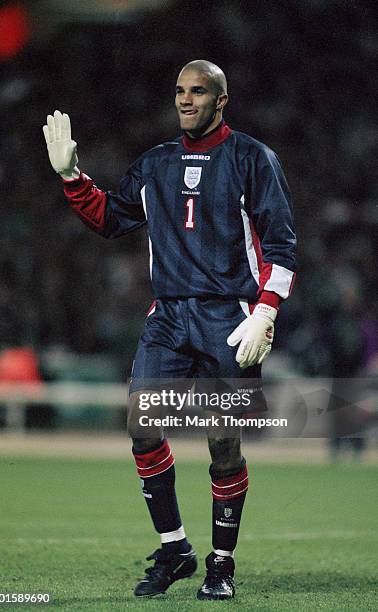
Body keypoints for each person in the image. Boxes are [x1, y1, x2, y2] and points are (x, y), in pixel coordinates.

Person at [43, 59, 296, 600]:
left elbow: (282, 246)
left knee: (223, 443)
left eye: (198, 91)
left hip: (231, 319)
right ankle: (175, 548)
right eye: (180, 91)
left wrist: (267, 310)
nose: (185, 100)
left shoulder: (253, 158)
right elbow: (111, 219)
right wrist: (71, 178)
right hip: (170, 318)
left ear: (221, 100)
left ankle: (221, 565)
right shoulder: (156, 162)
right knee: (143, 427)